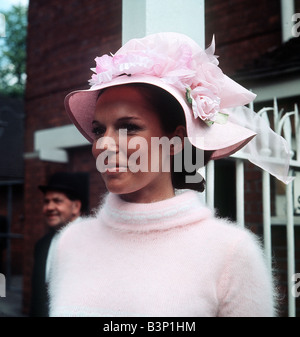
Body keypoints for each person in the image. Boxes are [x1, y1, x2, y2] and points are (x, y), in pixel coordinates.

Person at [48, 32, 292, 317]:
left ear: (176, 141)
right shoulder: (70, 243)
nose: (103, 144)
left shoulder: (230, 253)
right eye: (99, 130)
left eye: (129, 127)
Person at [30, 171, 89, 317]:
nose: (49, 207)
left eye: (57, 201)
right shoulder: (42, 245)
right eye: (46, 201)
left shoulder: (94, 241)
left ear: (75, 207)